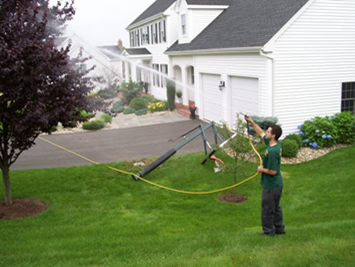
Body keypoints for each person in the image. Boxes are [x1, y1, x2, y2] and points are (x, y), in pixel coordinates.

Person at [245, 115, 285, 236]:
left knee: (268, 209)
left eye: (268, 132)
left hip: (271, 186)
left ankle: (268, 232)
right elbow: (260, 132)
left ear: (273, 136)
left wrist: (261, 169)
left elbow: (273, 171)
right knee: (276, 207)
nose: (265, 133)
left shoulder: (273, 152)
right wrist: (251, 122)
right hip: (276, 185)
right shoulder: (273, 144)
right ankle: (279, 229)